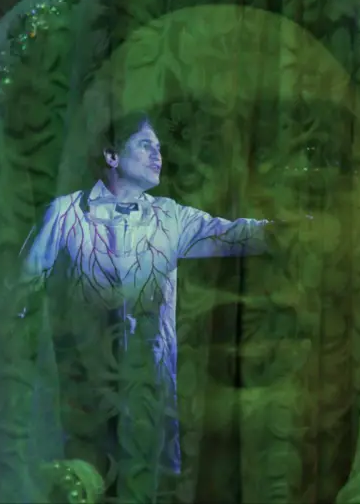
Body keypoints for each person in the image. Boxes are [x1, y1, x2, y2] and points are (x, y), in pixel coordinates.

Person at [18, 110, 271, 501]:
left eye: (159, 147)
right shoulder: (66, 213)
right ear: (112, 155)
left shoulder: (170, 216)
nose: (158, 155)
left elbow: (235, 234)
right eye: (145, 145)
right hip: (82, 392)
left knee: (148, 484)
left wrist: (295, 228)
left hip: (148, 390)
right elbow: (20, 292)